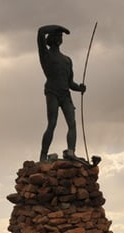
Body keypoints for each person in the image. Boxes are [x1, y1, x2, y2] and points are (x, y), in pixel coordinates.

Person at [38, 24, 86, 162]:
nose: (60, 37)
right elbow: (40, 31)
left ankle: (71, 151)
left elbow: (70, 83)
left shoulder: (67, 60)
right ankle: (43, 155)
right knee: (52, 123)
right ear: (51, 38)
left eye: (61, 36)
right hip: (52, 92)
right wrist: (59, 27)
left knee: (72, 123)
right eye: (57, 35)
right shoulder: (45, 55)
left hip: (65, 95)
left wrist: (80, 88)